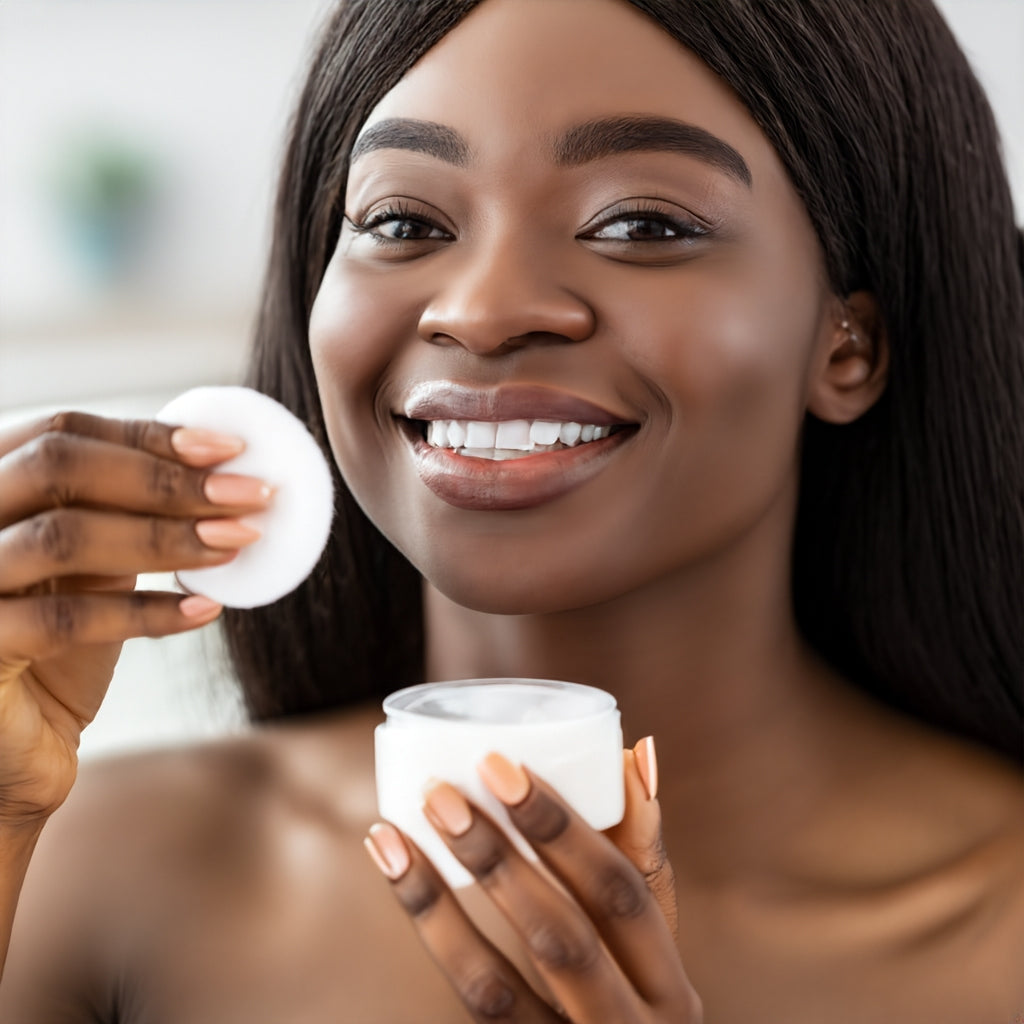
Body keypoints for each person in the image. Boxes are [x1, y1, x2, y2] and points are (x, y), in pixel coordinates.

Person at [1, 0, 1022, 1019]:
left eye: (641, 224)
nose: (481, 312)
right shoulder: (93, 870)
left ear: (850, 344)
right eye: (404, 223)